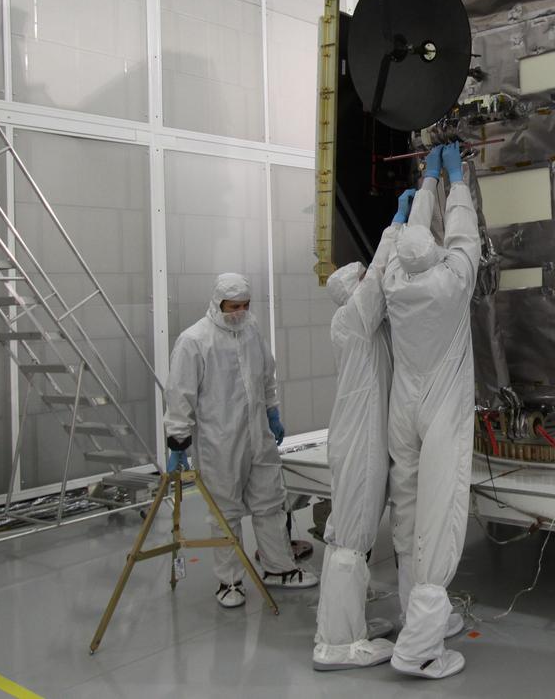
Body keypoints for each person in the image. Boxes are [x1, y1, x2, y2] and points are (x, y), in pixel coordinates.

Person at [384, 141, 481, 679]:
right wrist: (456, 180)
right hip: (441, 409)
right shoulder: (449, 283)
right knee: (440, 514)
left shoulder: (396, 284)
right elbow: (464, 236)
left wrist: (424, 185)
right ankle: (420, 648)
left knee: (407, 510)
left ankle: (414, 618)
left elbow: (405, 244)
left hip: (405, 409)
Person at [164, 273, 316, 608]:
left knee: (270, 503)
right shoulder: (195, 341)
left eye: (246, 306)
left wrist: (272, 412)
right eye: (234, 306)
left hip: (257, 435)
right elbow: (180, 395)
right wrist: (178, 442)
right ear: (217, 303)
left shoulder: (251, 330)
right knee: (224, 512)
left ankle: (277, 568)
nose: (240, 312)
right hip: (219, 442)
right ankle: (229, 582)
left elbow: (266, 375)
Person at [312, 188, 415, 671]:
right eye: (362, 282)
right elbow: (377, 283)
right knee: (351, 539)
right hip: (358, 441)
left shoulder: (366, 330)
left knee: (350, 538)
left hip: (364, 437)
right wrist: (395, 228)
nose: (371, 287)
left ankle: (348, 624)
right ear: (350, 292)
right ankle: (336, 643)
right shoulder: (351, 320)